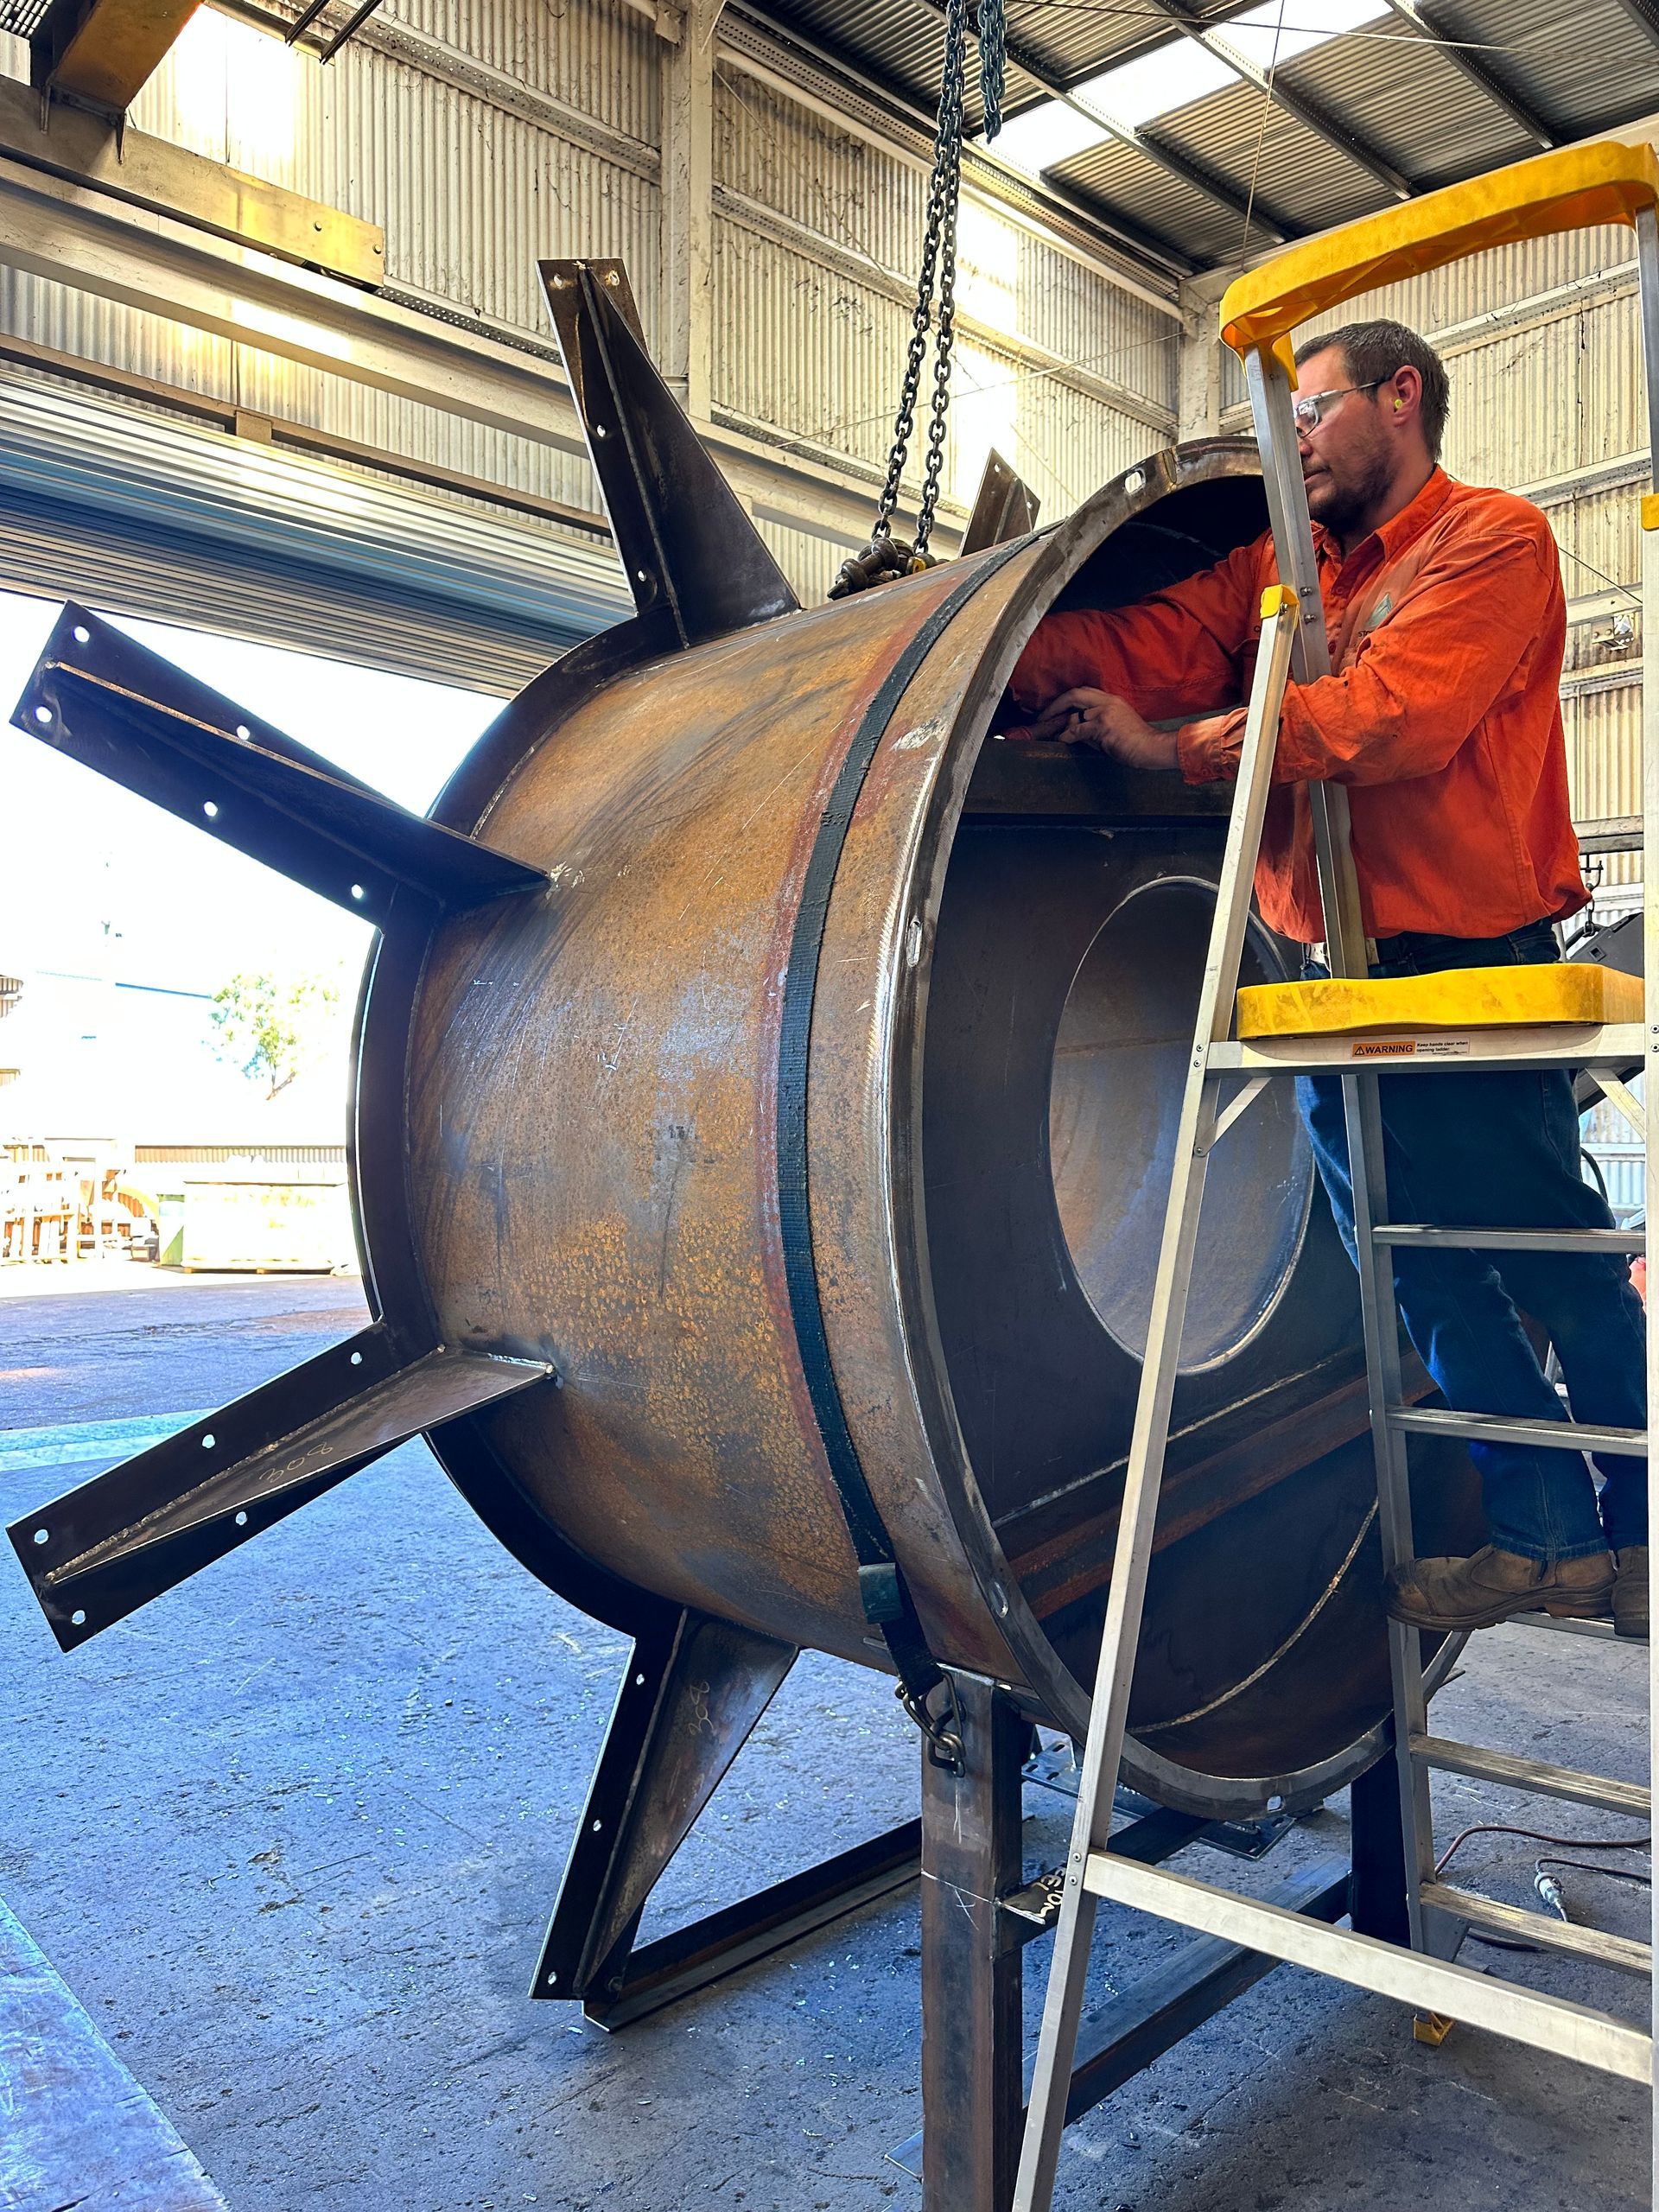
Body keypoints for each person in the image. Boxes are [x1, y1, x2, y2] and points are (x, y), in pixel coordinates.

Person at [1004, 316, 1649, 1641]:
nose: (1293, 441)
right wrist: (978, 657)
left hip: (1465, 970)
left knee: (1546, 1258)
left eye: (1312, 413)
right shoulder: (1286, 568)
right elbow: (1151, 649)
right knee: (1421, 1273)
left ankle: (1637, 1536)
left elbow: (1396, 720)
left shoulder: (1493, 542)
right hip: (1322, 980)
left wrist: (1180, 753)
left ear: (1399, 400)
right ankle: (1541, 1540)